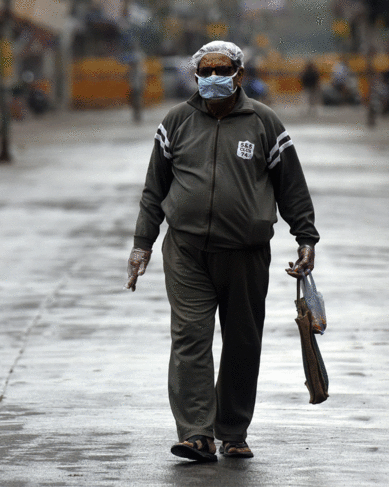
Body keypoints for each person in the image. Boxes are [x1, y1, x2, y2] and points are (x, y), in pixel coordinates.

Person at [125, 41, 320, 462]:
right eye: (206, 72)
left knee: (242, 341)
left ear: (239, 75)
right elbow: (153, 190)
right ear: (196, 78)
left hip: (246, 254)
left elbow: (292, 187)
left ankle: (232, 430)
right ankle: (196, 433)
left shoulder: (264, 123)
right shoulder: (176, 123)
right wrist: (142, 245)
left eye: (222, 70)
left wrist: (306, 239)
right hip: (186, 252)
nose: (214, 78)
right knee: (190, 337)